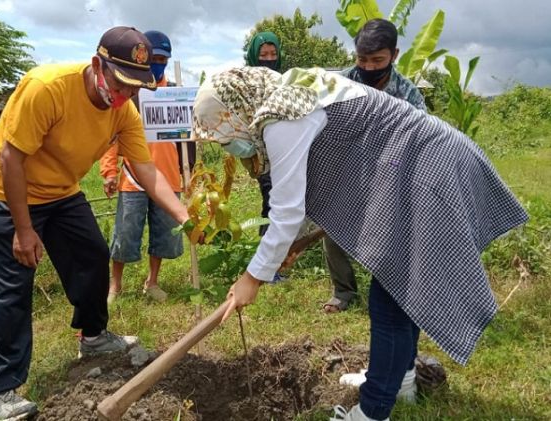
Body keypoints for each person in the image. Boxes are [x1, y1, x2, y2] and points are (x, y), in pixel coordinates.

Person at [192, 66, 528, 421]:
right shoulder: (291, 92)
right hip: (419, 163)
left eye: (223, 132)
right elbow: (314, 188)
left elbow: (286, 210)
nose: (228, 144)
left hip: (428, 166)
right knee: (400, 289)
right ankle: (400, 380)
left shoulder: (281, 116)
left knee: (391, 297)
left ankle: (372, 410)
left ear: (236, 108)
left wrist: (252, 278)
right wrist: (291, 246)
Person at [0, 26, 189, 420]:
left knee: (92, 255)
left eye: (136, 87)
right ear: (97, 65)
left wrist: (184, 217)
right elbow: (11, 159)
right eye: (122, 84)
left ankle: (93, 337)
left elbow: (144, 169)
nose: (127, 95)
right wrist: (24, 231)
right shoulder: (48, 88)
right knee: (12, 283)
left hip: (61, 191)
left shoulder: (123, 110)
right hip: (9, 190)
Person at [322, 18, 427, 314]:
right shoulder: (338, 84)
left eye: (377, 60)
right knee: (332, 231)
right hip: (344, 170)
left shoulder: (408, 95)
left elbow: (418, 140)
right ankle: (343, 291)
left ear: (394, 55)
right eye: (362, 59)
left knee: (390, 236)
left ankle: (390, 290)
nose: (368, 67)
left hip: (391, 176)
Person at [101, 30, 183, 303]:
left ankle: (153, 281)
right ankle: (116, 285)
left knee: (163, 234)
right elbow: (111, 136)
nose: (158, 63)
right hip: (133, 176)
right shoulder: (130, 92)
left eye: (163, 58)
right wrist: (109, 171)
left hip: (169, 175)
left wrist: (190, 172)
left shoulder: (174, 92)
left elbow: (189, 139)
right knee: (125, 233)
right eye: (154, 57)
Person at [245, 31, 282, 238]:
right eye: (263, 55)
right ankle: (269, 260)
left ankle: (280, 257)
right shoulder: (247, 83)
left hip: (284, 152)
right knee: (271, 202)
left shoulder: (283, 81)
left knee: (283, 204)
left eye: (272, 54)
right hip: (262, 154)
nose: (268, 59)